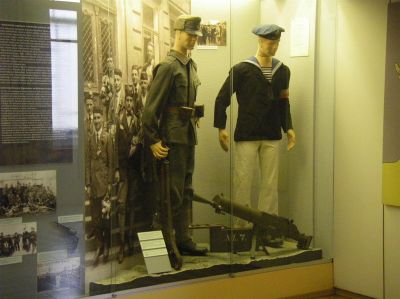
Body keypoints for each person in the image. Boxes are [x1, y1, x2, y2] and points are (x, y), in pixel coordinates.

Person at [214, 24, 296, 221]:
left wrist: (289, 128)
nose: (273, 47)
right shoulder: (242, 69)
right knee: (243, 182)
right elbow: (222, 98)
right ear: (259, 41)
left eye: (276, 43)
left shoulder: (282, 71)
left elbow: (284, 102)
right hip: (247, 134)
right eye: (270, 43)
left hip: (271, 134)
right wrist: (220, 128)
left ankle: (268, 227)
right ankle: (242, 229)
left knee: (270, 184)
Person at [142, 15, 207, 256]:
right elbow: (150, 109)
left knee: (186, 189)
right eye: (189, 34)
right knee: (170, 194)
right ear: (177, 32)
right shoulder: (168, 66)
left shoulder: (190, 65)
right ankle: (163, 248)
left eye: (195, 36)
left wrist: (194, 114)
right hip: (171, 139)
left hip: (187, 135)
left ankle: (183, 238)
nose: (192, 39)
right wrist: (153, 140)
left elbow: (184, 100)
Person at [114, 86, 143, 263]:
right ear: (124, 103)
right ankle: (122, 245)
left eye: (132, 100)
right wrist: (117, 169)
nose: (129, 103)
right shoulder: (119, 121)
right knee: (122, 206)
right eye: (127, 101)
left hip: (135, 170)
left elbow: (141, 144)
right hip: (124, 170)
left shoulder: (138, 121)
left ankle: (131, 240)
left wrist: (137, 147)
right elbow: (117, 146)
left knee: (132, 204)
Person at [85, 106, 113, 266]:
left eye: (98, 117)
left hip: (104, 185)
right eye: (94, 118)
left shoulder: (107, 138)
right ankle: (99, 246)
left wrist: (109, 184)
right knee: (95, 219)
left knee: (106, 219)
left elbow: (110, 161)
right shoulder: (90, 139)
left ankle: (107, 246)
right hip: (94, 186)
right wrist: (88, 183)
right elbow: (88, 162)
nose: (96, 120)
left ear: (102, 118)